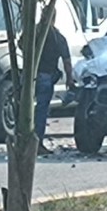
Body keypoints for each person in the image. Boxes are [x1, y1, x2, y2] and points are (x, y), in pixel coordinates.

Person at [34, 18, 74, 156]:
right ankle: (37, 143)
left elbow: (21, 45)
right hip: (46, 75)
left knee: (28, 110)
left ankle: (28, 142)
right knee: (41, 110)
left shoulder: (33, 33)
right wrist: (69, 79)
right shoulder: (57, 37)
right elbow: (67, 61)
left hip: (30, 76)